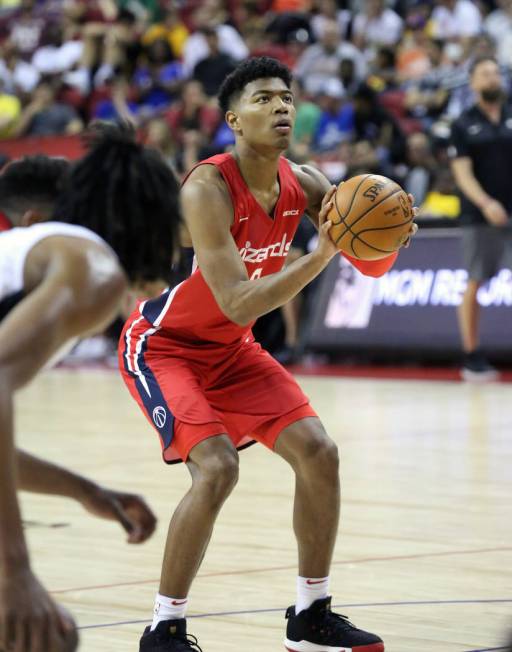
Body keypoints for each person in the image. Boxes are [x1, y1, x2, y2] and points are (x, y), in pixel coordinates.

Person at [119, 56, 417, 652]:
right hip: (166, 348)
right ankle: (164, 627)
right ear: (233, 118)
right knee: (218, 467)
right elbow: (235, 299)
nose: (281, 106)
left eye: (287, 97)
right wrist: (325, 252)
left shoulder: (304, 181)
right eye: (264, 98)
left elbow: (362, 251)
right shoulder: (206, 187)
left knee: (319, 452)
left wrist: (389, 230)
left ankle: (311, 616)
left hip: (233, 349)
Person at [0, 123, 181, 652]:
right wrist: (15, 570)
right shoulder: (92, 268)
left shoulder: (46, 257)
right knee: (40, 634)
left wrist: (86, 491)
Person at [449, 56, 512, 381]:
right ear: (472, 82)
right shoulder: (462, 124)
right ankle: (472, 356)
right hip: (480, 214)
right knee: (476, 280)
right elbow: (462, 174)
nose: (491, 79)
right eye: (484, 74)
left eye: (495, 73)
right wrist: (486, 202)